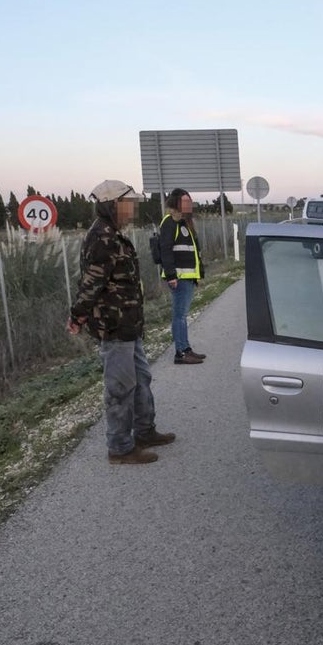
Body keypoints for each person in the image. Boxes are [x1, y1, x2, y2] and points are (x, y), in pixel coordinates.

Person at [67, 179, 176, 464]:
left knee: (141, 379)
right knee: (120, 388)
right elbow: (91, 284)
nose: (133, 209)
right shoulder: (102, 238)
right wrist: (77, 315)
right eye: (129, 203)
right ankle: (119, 448)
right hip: (114, 327)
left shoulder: (113, 234)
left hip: (129, 325)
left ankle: (144, 431)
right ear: (112, 205)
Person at [158, 187, 206, 365]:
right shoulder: (170, 222)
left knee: (183, 315)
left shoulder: (185, 223)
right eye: (184, 202)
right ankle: (181, 352)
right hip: (178, 277)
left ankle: (186, 349)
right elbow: (166, 251)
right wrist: (171, 275)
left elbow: (193, 251)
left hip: (187, 277)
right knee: (180, 316)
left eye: (189, 201)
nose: (187, 205)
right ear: (176, 203)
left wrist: (197, 275)